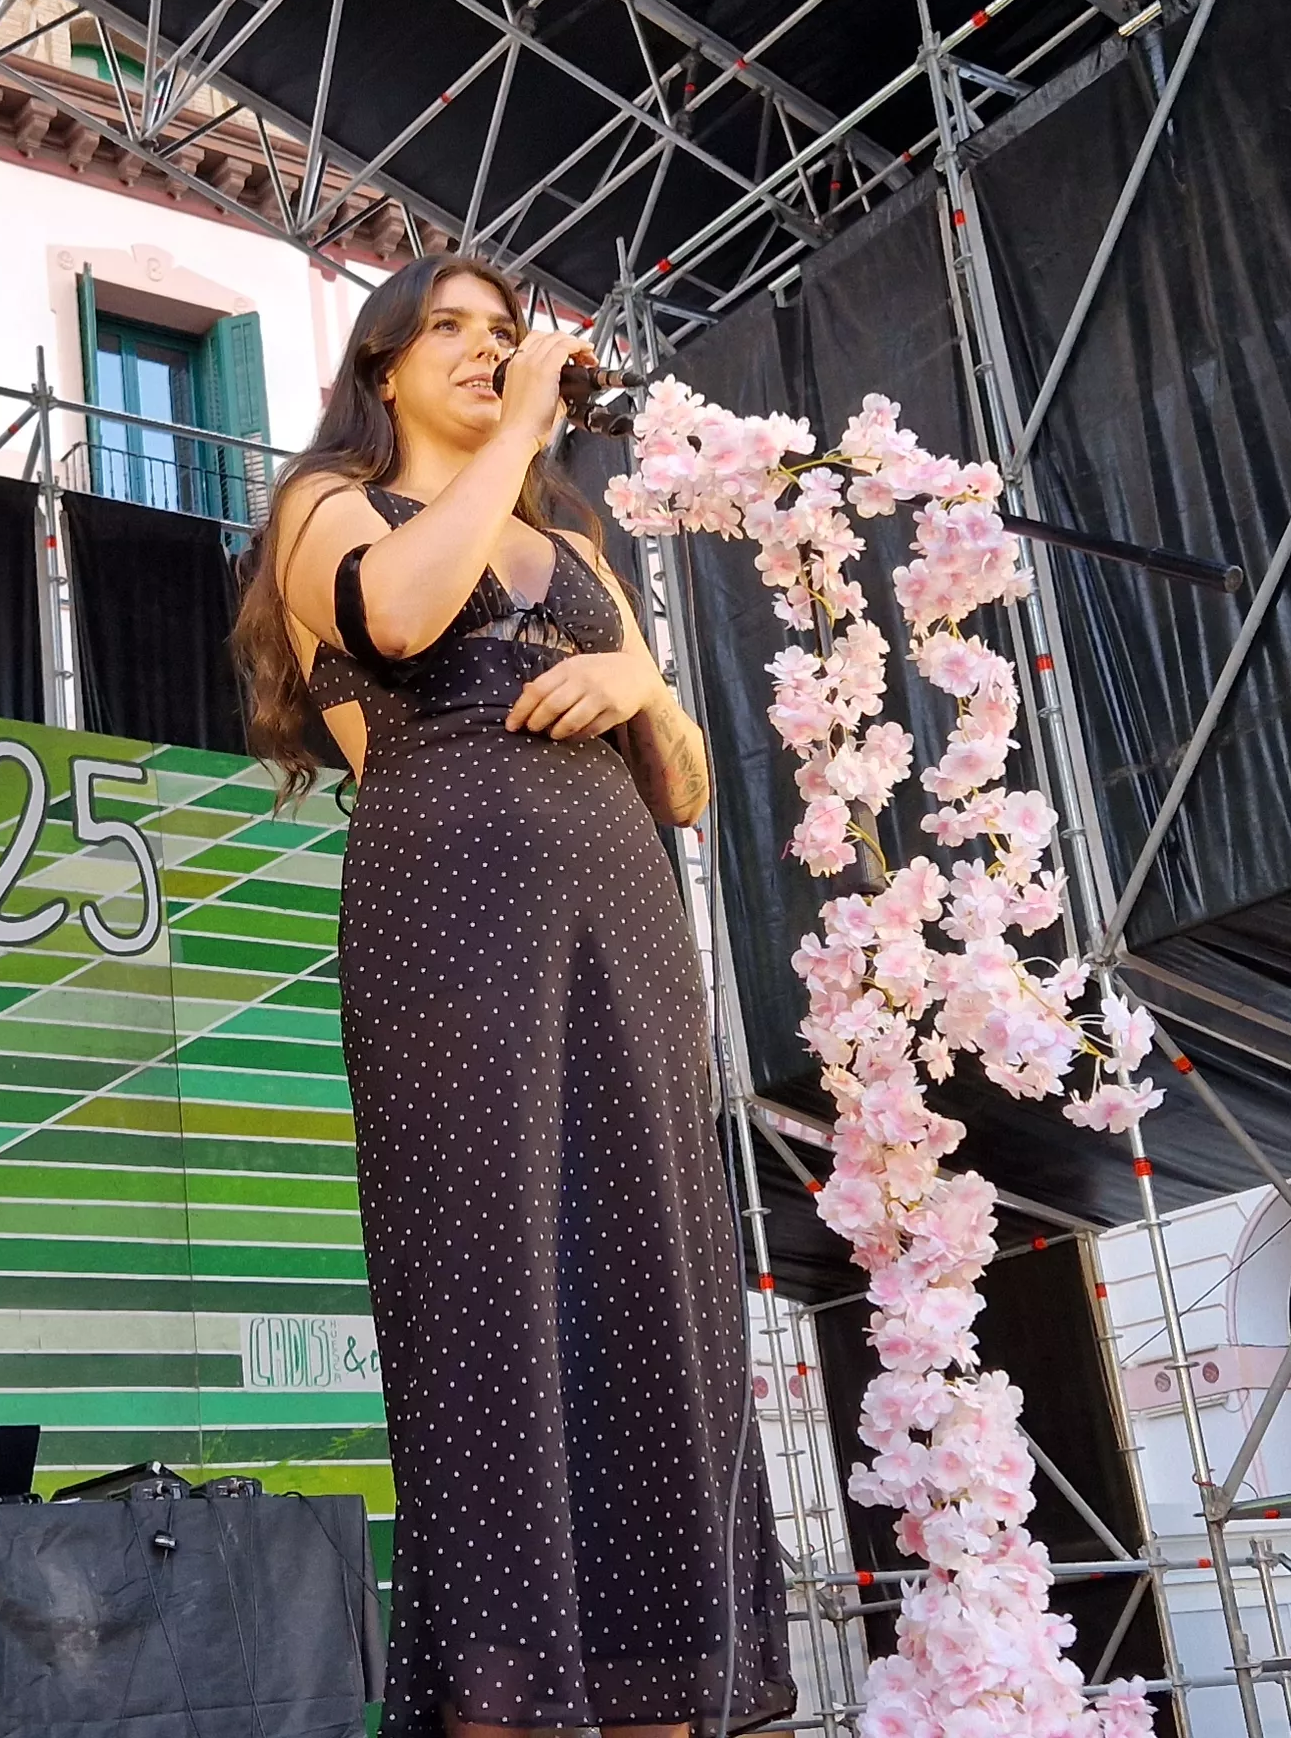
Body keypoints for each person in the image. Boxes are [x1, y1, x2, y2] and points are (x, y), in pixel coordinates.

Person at [232, 253, 787, 1737]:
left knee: (653, 1294)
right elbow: (402, 619)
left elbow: (684, 787)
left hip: (628, 936)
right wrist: (524, 428)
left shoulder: (579, 545)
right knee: (492, 1294)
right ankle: (502, 1693)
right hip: (454, 929)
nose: (490, 352)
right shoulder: (327, 507)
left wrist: (645, 691)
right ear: (385, 368)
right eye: (454, 332)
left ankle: (665, 1685)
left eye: (507, 333)